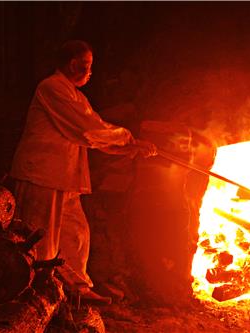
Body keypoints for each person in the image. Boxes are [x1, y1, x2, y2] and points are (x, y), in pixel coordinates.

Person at [10, 40, 156, 303]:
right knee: (42, 241)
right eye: (86, 66)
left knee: (76, 233)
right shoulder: (52, 88)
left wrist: (131, 147)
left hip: (64, 177)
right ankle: (33, 298)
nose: (90, 72)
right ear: (72, 65)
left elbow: (94, 132)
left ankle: (77, 290)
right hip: (41, 175)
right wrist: (128, 139)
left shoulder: (74, 94)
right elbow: (86, 129)